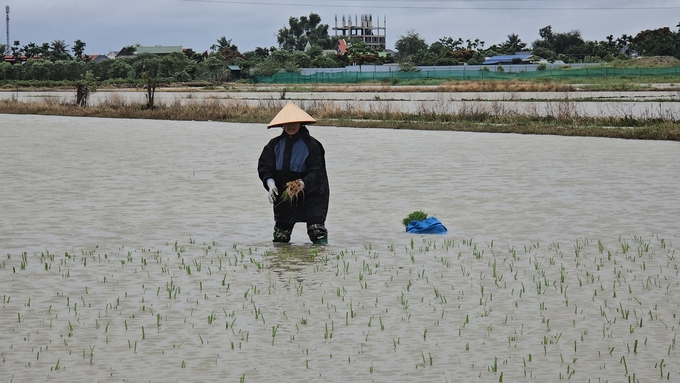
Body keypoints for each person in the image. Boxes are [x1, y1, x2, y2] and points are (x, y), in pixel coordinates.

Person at [257, 102, 330, 245]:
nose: (290, 126)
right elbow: (265, 167)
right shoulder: (274, 145)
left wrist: (302, 184)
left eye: (294, 123)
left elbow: (316, 171)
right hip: (285, 192)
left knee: (317, 231)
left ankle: (321, 258)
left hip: (312, 193)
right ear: (282, 125)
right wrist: (270, 184)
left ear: (300, 123)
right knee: (281, 234)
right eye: (287, 123)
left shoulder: (312, 145)